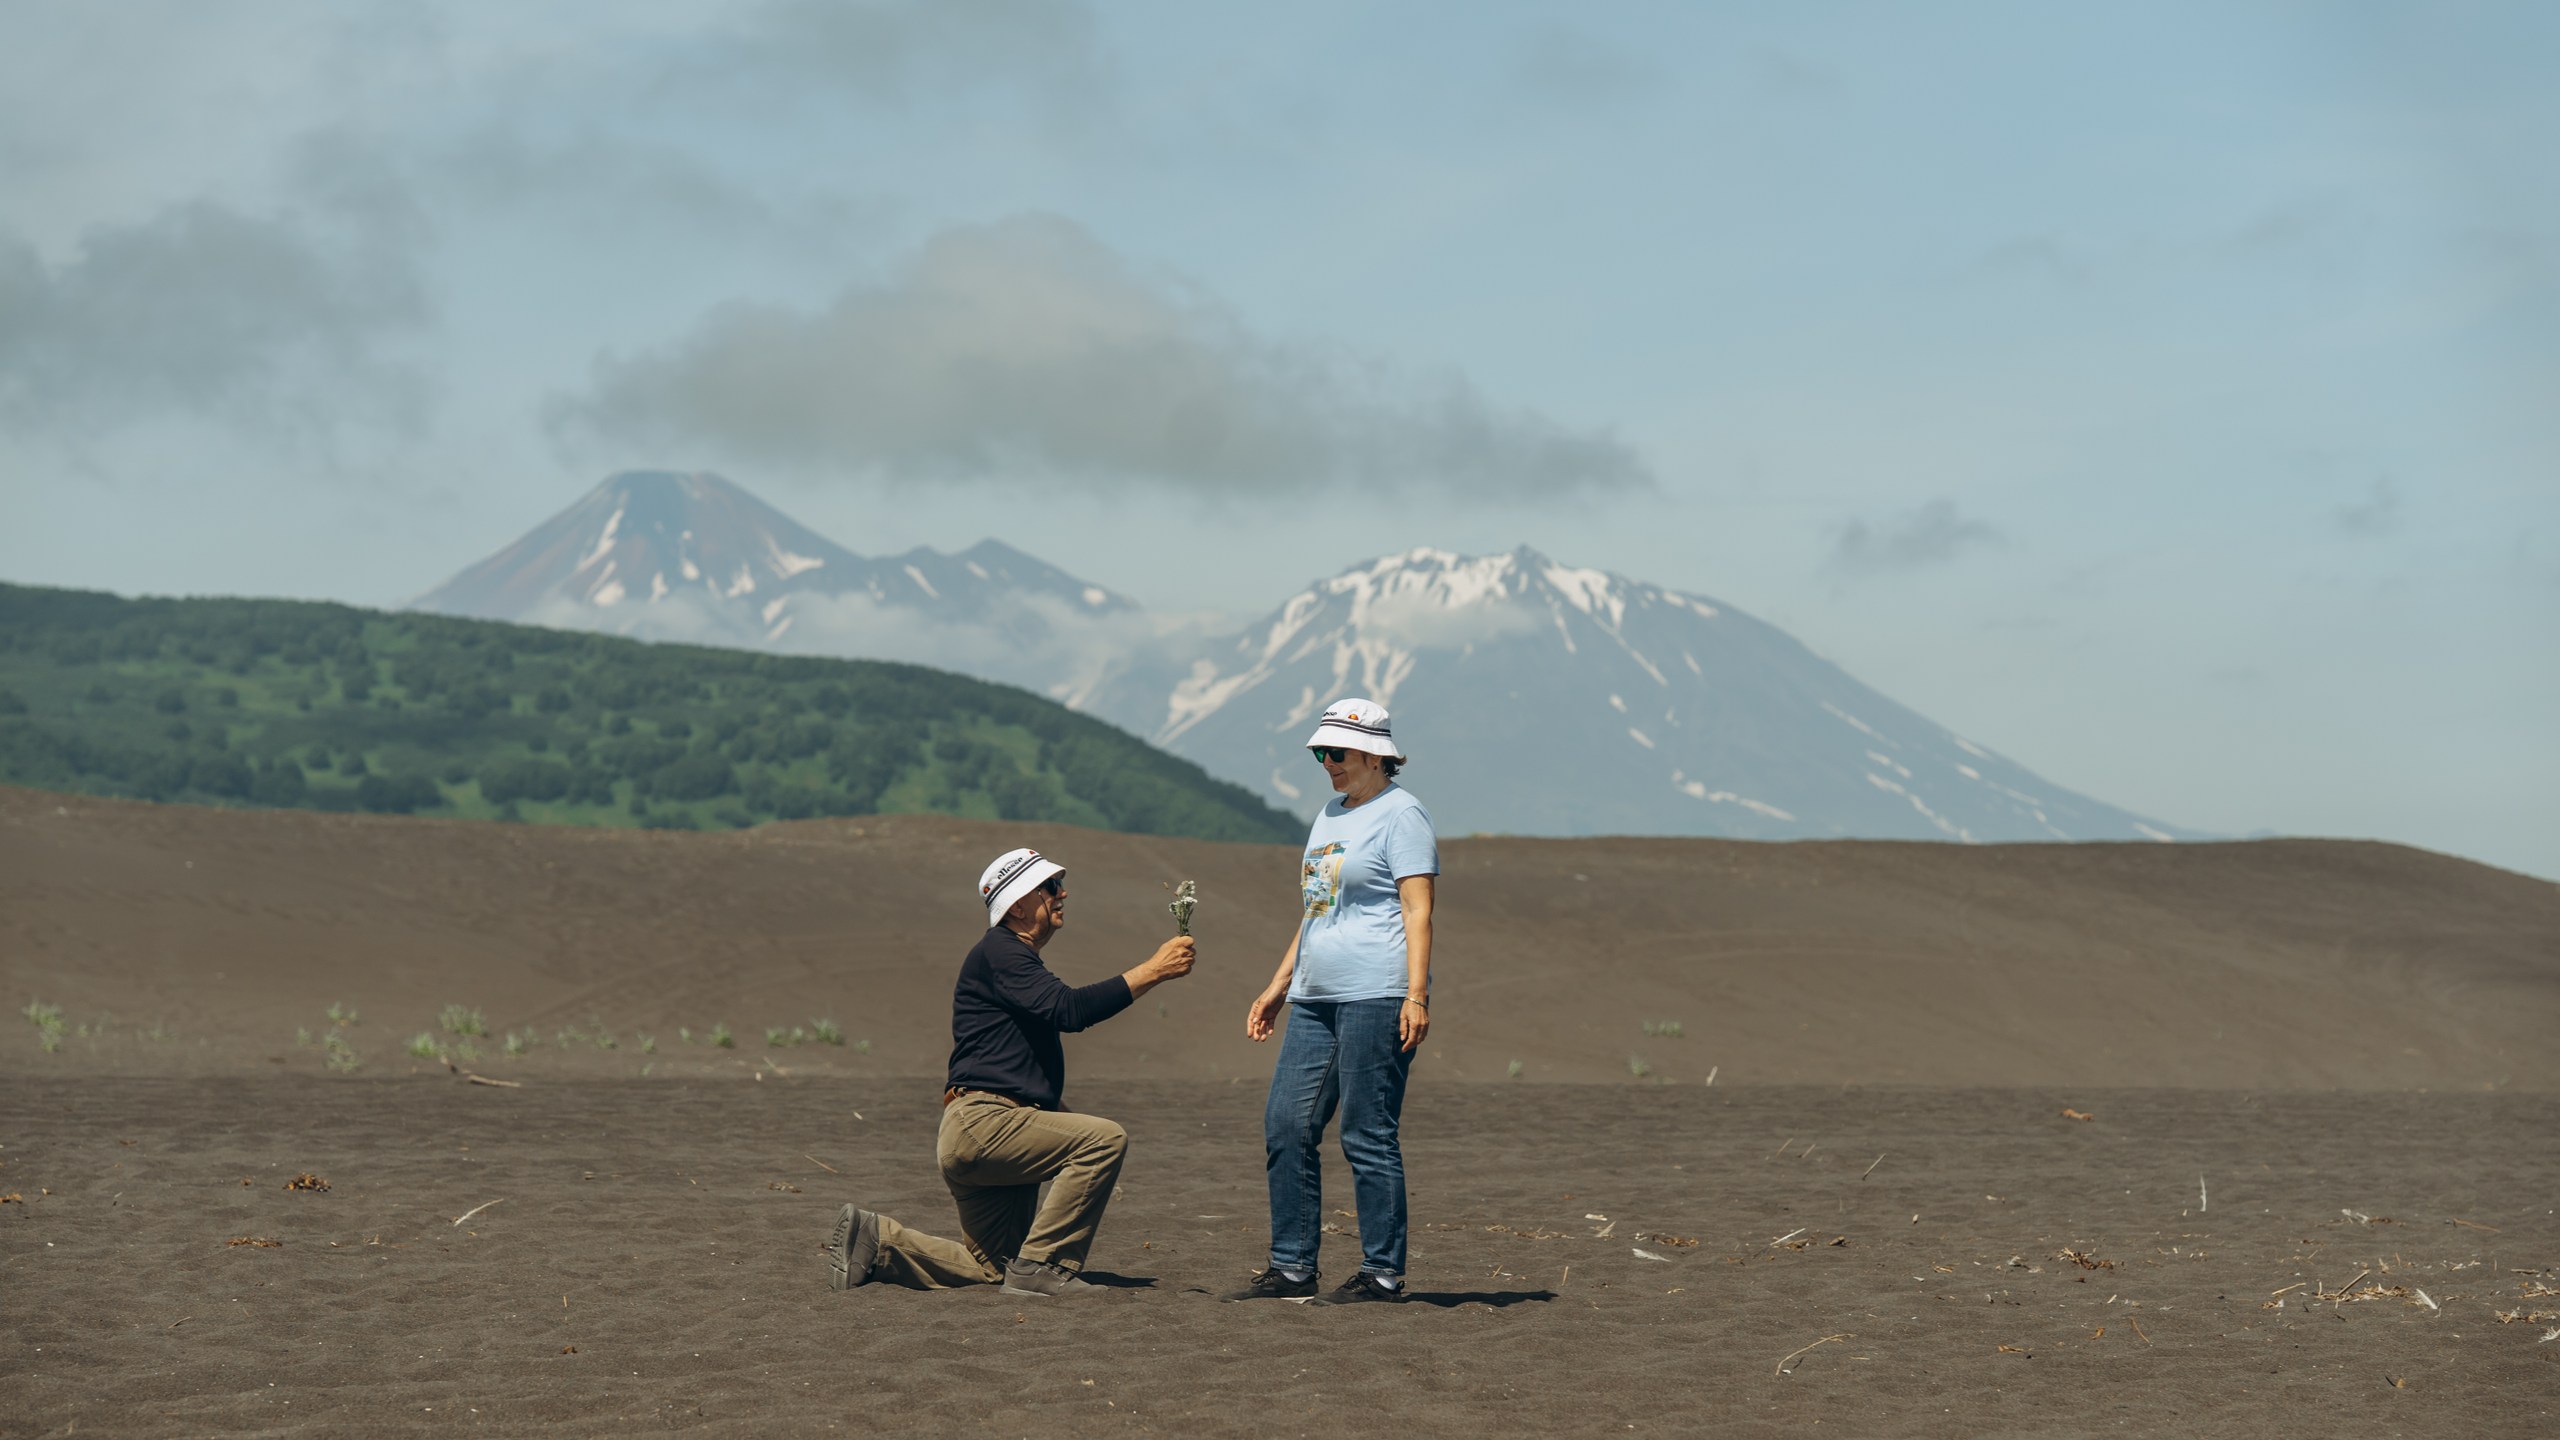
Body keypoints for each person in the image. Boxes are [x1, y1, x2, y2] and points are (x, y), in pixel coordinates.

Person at [827, 847, 1196, 1298]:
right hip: (986, 1125)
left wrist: (1054, 1115)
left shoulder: (1008, 962)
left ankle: (878, 1241)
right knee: (1104, 1139)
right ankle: (1046, 1265)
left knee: (993, 1268)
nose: (1062, 894)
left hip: (978, 1130)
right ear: (1018, 904)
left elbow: (1008, 1060)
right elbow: (1069, 1009)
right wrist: (1154, 971)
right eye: (1050, 887)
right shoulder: (1001, 951)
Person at [1225, 697, 1437, 1306]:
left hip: (1377, 991)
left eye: (1336, 752)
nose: (1326, 763)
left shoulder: (1404, 815)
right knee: (1287, 1124)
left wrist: (1416, 994)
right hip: (1315, 994)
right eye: (1320, 752)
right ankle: (1291, 1268)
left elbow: (1418, 907)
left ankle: (1383, 1274)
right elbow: (1317, 910)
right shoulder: (1328, 815)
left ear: (1374, 754)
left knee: (1367, 1133)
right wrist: (1278, 985)